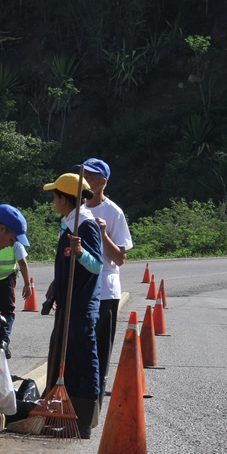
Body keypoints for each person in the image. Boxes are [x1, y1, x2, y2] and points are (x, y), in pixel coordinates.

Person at [43, 172, 103, 438]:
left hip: (81, 305)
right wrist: (57, 284)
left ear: (65, 200)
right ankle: (60, 413)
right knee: (61, 356)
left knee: (82, 360)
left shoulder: (85, 225)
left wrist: (81, 252)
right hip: (67, 304)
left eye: (55, 196)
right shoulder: (68, 222)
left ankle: (84, 420)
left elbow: (96, 265)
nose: (53, 202)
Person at [81, 158, 133, 408]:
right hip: (79, 289)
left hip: (104, 290)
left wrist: (102, 235)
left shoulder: (113, 212)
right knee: (77, 347)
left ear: (103, 182)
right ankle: (76, 399)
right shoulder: (75, 209)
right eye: (82, 175)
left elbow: (120, 258)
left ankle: (95, 405)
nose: (85, 181)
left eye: (90, 177)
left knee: (99, 350)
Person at [0, 234, 32, 360]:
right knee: (8, 312)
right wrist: (27, 284)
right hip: (6, 281)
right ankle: (3, 341)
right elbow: (22, 262)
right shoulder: (13, 238)